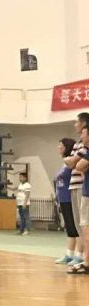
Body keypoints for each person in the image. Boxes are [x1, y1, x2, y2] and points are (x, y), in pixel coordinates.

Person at [64, 112, 89, 271]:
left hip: (83, 188)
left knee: (85, 225)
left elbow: (76, 164)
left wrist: (71, 161)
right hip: (78, 187)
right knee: (81, 224)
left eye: (84, 134)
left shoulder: (85, 148)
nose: (82, 136)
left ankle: (84, 258)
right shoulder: (80, 145)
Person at [54, 138, 78, 264]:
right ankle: (69, 254)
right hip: (63, 199)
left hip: (69, 198)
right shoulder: (64, 164)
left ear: (66, 147)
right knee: (69, 228)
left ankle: (78, 255)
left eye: (61, 145)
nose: (58, 147)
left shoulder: (70, 163)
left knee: (74, 228)